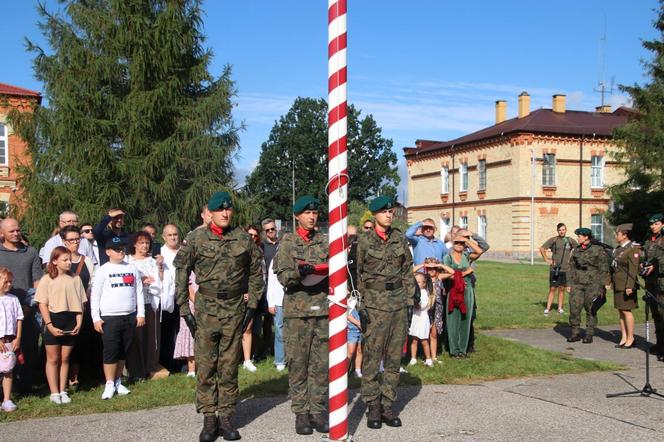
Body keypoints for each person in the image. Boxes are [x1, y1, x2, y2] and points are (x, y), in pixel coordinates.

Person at [174, 191, 263, 442]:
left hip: (235, 308)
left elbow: (257, 273)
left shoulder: (243, 238)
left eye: (229, 209)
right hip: (206, 310)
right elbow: (181, 275)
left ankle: (225, 417)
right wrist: (184, 310)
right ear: (210, 213)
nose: (225, 213)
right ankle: (208, 418)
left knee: (228, 365)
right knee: (205, 365)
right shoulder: (195, 238)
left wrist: (253, 306)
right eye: (220, 209)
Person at [356, 195, 416, 430]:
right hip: (374, 305)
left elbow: (407, 271)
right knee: (372, 357)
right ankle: (372, 405)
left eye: (391, 211)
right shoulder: (364, 241)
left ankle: (387, 404)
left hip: (398, 304)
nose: (389, 215)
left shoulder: (400, 239)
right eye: (384, 212)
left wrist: (410, 300)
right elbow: (357, 274)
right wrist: (361, 306)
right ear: (374, 215)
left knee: (393, 358)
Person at [274, 196, 330, 436]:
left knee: (320, 363)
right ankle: (301, 412)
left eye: (315, 213)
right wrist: (299, 271)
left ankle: (317, 410)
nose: (312, 217)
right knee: (298, 364)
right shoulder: (288, 242)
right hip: (297, 311)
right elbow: (283, 276)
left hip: (322, 308)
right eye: (307, 213)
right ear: (297, 216)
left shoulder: (325, 241)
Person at [90, 237, 145, 400]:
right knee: (110, 350)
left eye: (122, 248)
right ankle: (108, 383)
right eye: (117, 249)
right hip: (109, 317)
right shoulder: (102, 270)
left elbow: (139, 291)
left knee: (123, 350)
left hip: (128, 315)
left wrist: (140, 313)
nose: (121, 252)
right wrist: (96, 318)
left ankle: (118, 380)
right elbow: (95, 295)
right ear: (108, 252)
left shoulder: (132, 268)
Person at [35, 247, 87, 405]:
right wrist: (49, 325)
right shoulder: (47, 279)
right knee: (53, 358)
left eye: (69, 259)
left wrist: (79, 321)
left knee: (65, 358)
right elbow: (42, 304)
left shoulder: (75, 279)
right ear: (55, 261)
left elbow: (81, 303)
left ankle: (63, 389)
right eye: (65, 260)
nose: (69, 262)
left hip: (70, 320)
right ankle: (54, 392)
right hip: (53, 319)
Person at [0, 218, 43, 394]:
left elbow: (38, 281)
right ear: (2, 233)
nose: (16, 233)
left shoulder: (30, 252)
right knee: (4, 349)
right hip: (2, 309)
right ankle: (6, 390)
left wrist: (32, 304)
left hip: (26, 307)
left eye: (18, 230)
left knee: (28, 347)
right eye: (12, 231)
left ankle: (26, 385)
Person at [126, 232, 170, 381]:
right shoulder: (128, 261)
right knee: (137, 337)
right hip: (135, 304)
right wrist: (141, 279)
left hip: (151, 302)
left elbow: (163, 280)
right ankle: (137, 369)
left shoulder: (153, 261)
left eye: (147, 243)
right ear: (134, 244)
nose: (144, 246)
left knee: (152, 336)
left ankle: (151, 364)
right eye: (141, 243)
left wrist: (161, 268)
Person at [59, 226, 97, 388]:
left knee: (81, 342)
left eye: (77, 239)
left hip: (83, 308)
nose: (75, 243)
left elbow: (92, 284)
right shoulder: (58, 260)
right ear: (63, 241)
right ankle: (61, 378)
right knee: (64, 343)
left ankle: (75, 377)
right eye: (71, 240)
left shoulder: (86, 260)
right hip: (62, 309)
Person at [565, 227, 610, 344]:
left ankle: (589, 334)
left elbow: (604, 267)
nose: (577, 238)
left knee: (591, 309)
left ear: (586, 237)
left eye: (579, 236)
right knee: (574, 308)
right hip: (577, 283)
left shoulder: (598, 249)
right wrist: (568, 283)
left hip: (593, 283)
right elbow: (570, 267)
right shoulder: (575, 250)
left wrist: (604, 285)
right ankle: (575, 333)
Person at [443, 234, 484, 357]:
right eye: (457, 242)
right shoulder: (447, 258)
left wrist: (467, 239)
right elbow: (448, 275)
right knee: (453, 320)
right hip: (454, 290)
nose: (459, 245)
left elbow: (479, 251)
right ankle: (454, 350)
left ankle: (463, 350)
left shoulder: (467, 256)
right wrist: (466, 272)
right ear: (452, 244)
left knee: (465, 320)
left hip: (468, 290)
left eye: (462, 243)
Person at [610, 224, 640, 349]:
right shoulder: (618, 249)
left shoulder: (632, 248)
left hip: (627, 285)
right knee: (621, 311)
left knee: (627, 311)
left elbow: (633, 269)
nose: (616, 236)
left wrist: (629, 286)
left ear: (624, 235)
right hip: (618, 284)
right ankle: (624, 337)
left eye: (618, 234)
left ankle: (631, 338)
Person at [540, 223, 578, 315]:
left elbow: (579, 249)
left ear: (566, 230)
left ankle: (560, 308)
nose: (562, 231)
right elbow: (542, 248)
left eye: (563, 229)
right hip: (555, 269)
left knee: (562, 289)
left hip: (565, 269)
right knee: (552, 288)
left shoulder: (569, 240)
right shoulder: (554, 240)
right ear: (557, 231)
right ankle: (548, 308)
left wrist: (572, 259)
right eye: (560, 230)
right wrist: (547, 260)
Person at [0, 267, 22, 412]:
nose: (9, 284)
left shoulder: (13, 299)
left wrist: (18, 337)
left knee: (8, 370)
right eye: (5, 281)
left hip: (10, 340)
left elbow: (19, 318)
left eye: (10, 282)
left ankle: (7, 399)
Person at [241, 225, 263, 373]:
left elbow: (259, 277)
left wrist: (252, 293)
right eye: (250, 235)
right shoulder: (238, 251)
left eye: (255, 236)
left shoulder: (259, 253)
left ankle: (247, 360)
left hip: (252, 295)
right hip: (236, 294)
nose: (253, 238)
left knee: (248, 327)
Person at [159, 224, 181, 372]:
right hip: (167, 298)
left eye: (175, 234)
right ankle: (167, 363)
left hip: (184, 295)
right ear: (164, 237)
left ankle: (183, 362)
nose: (173, 237)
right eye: (170, 235)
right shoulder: (160, 253)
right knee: (167, 332)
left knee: (182, 331)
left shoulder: (184, 251)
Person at [642, 213, 664, 358]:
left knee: (663, 315)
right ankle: (660, 344)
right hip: (651, 283)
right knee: (655, 314)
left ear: (662, 224)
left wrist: (656, 266)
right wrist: (643, 266)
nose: (653, 226)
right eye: (652, 224)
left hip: (662, 283)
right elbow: (645, 258)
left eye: (656, 224)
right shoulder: (649, 241)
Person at [173, 272, 197, 377]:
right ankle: (191, 369)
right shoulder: (188, 271)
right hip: (191, 306)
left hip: (208, 305)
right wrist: (198, 304)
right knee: (190, 335)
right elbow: (187, 288)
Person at [266, 258, 286, 372]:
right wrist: (271, 303)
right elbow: (271, 282)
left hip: (295, 301)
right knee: (279, 331)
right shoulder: (276, 259)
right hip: (278, 300)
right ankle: (280, 360)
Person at [409, 273, 433, 367]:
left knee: (424, 340)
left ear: (424, 284)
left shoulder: (423, 293)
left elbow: (421, 306)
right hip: (415, 318)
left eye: (418, 282)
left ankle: (428, 359)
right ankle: (413, 358)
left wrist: (415, 301)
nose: (416, 283)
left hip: (422, 319)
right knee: (414, 339)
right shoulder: (414, 292)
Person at [347, 294, 363, 378]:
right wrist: (358, 323)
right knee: (350, 352)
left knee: (359, 350)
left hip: (360, 329)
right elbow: (347, 315)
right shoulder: (346, 301)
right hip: (352, 329)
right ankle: (345, 371)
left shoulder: (357, 299)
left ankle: (358, 370)